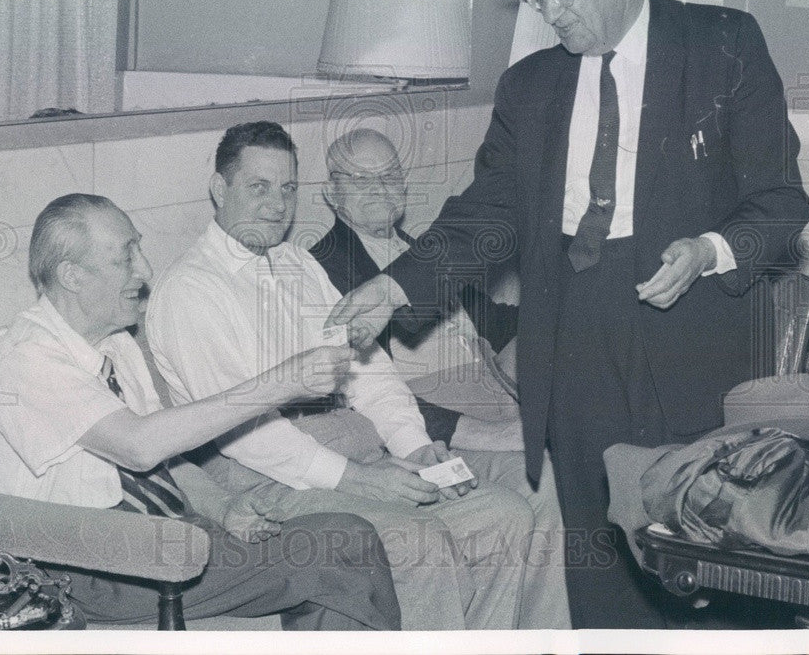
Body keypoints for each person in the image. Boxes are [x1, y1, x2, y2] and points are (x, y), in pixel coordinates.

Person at [327, 0, 809, 628]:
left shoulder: (721, 44)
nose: (551, 11)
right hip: (573, 338)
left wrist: (711, 248)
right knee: (597, 553)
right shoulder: (530, 86)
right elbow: (488, 215)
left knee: (708, 547)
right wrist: (395, 289)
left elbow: (782, 202)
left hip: (692, 330)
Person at [147, 122, 536, 630]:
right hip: (269, 476)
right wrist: (362, 480)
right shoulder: (192, 290)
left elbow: (370, 370)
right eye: (258, 186)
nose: (277, 204)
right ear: (220, 190)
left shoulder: (298, 265)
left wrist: (413, 446)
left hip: (353, 451)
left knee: (505, 518)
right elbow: (247, 435)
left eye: (287, 188)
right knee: (419, 541)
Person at [0, 193, 401, 631]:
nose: (145, 270)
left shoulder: (116, 343)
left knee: (335, 559)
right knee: (345, 541)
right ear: (71, 276)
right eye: (126, 257)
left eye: (139, 248)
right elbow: (138, 447)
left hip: (160, 537)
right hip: (82, 564)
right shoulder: (23, 357)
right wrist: (283, 382)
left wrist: (223, 507)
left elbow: (166, 459)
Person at [311, 127, 570, 629]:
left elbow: (494, 324)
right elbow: (359, 394)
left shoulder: (424, 252)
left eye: (389, 177)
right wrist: (485, 433)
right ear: (330, 194)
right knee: (547, 482)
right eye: (360, 181)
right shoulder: (323, 268)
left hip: (493, 387)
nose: (380, 190)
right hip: (434, 421)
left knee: (575, 458)